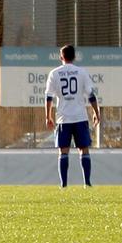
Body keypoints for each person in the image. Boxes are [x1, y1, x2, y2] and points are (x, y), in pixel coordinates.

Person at [45, 45, 100, 188]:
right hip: (80, 117)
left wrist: (48, 116)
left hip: (63, 118)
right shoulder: (81, 72)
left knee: (63, 151)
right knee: (84, 149)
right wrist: (96, 112)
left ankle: (63, 185)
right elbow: (91, 95)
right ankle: (87, 183)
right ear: (74, 56)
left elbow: (48, 97)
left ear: (61, 57)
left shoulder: (54, 73)